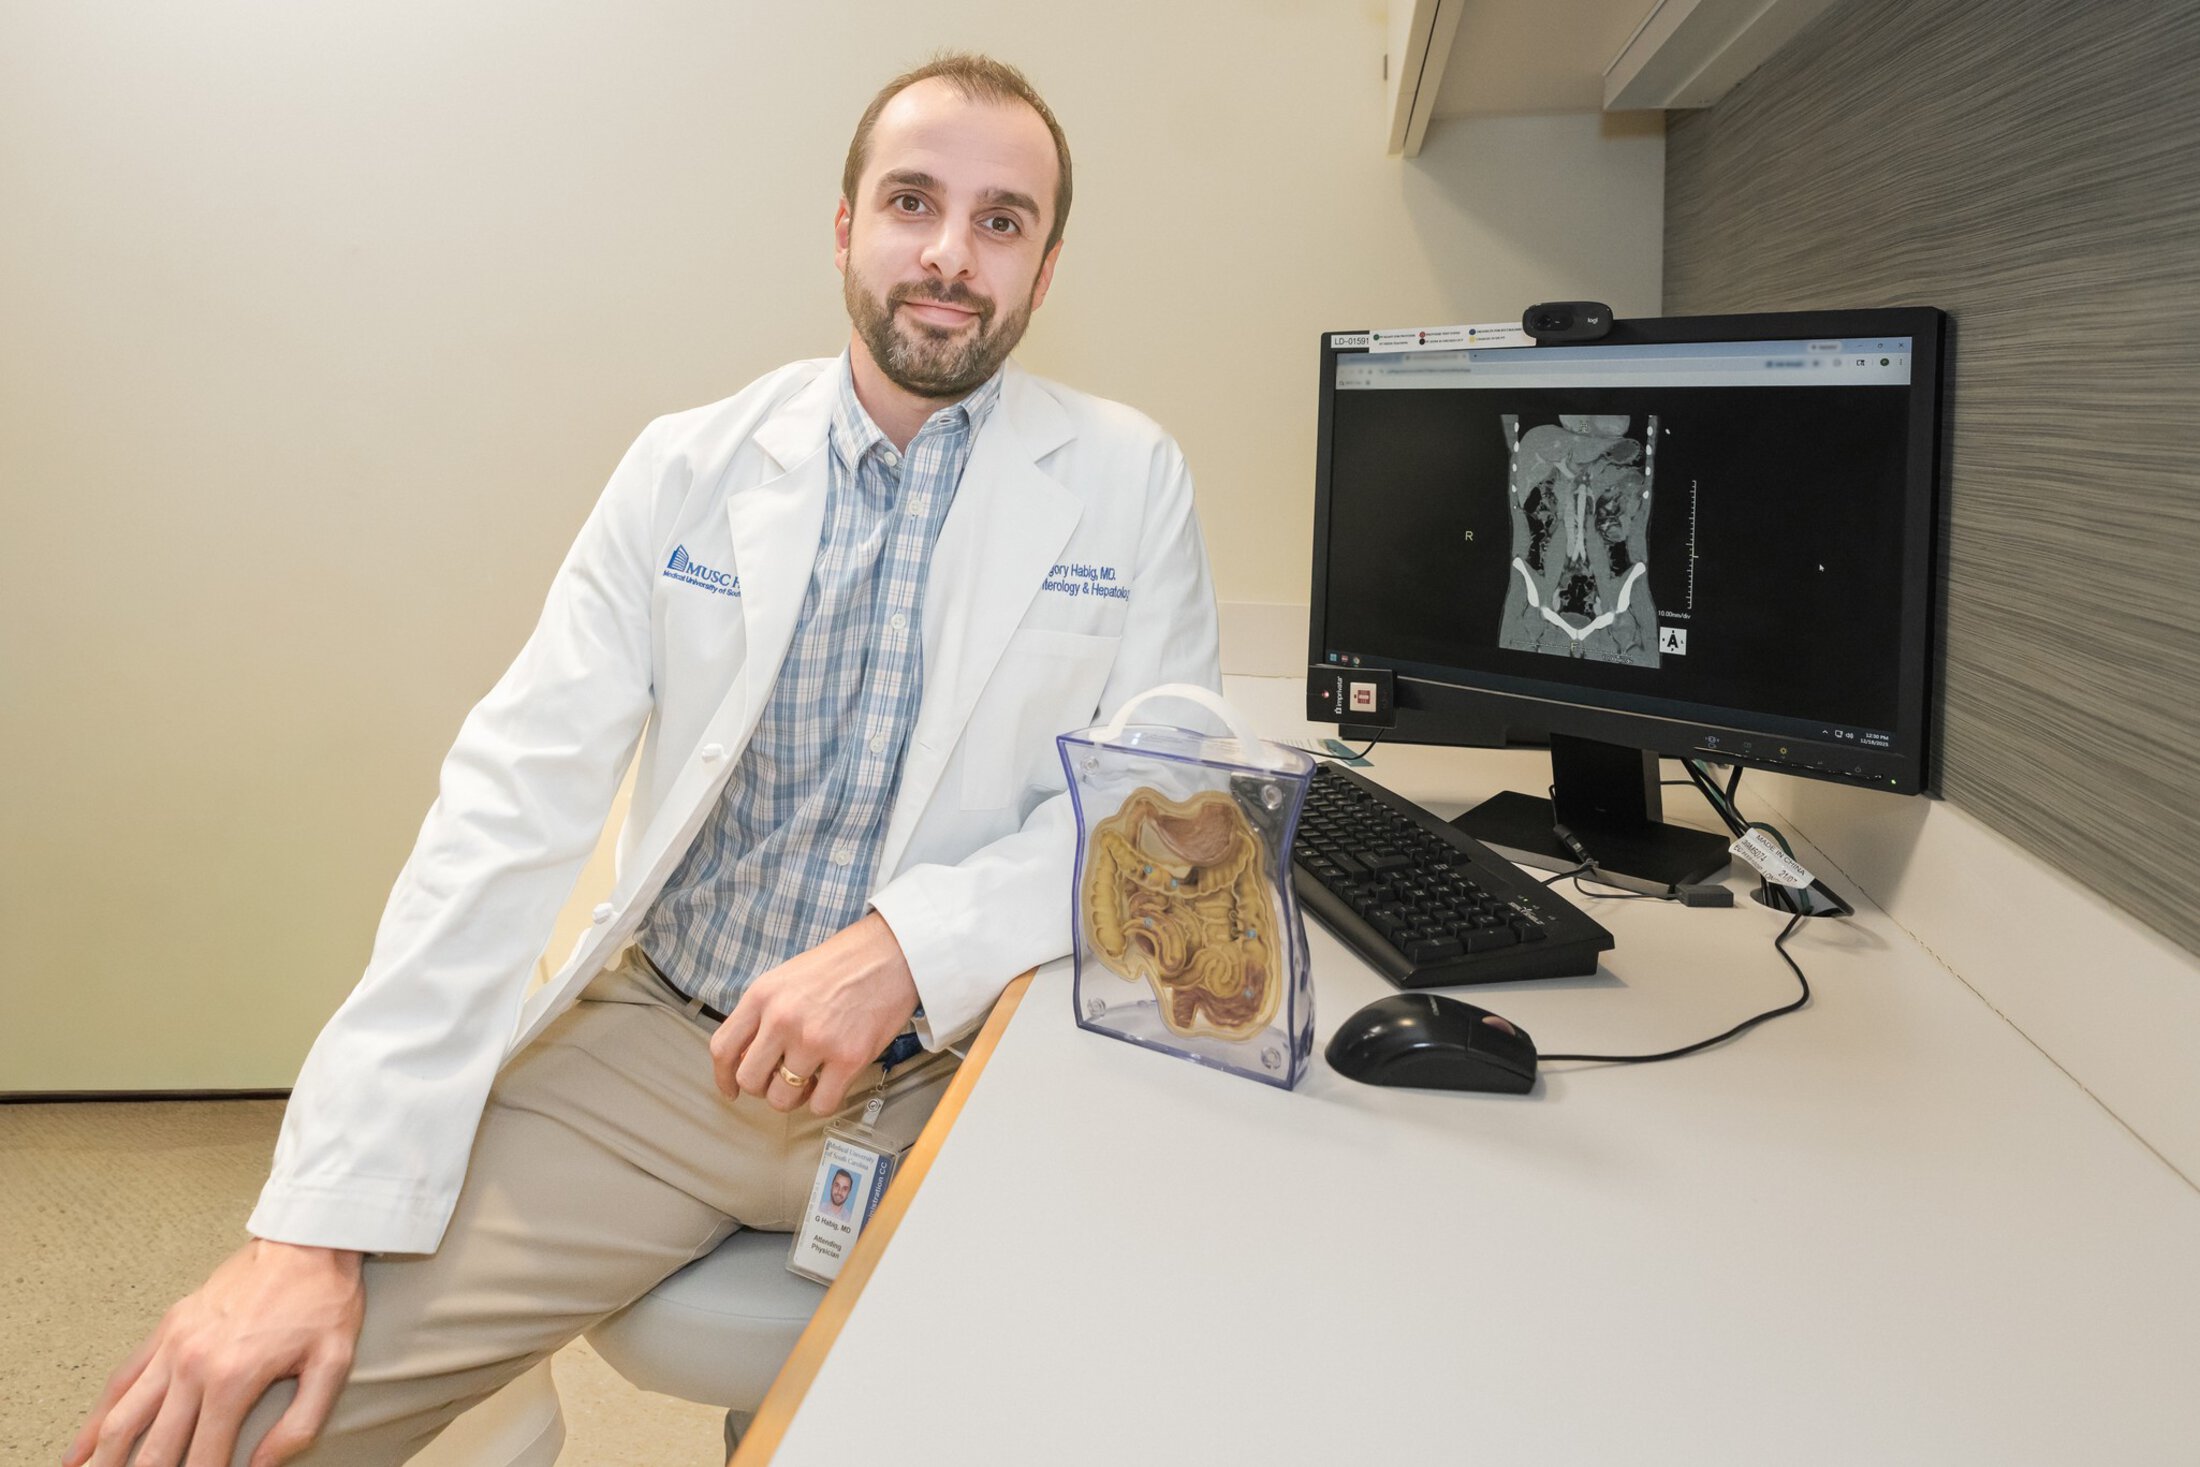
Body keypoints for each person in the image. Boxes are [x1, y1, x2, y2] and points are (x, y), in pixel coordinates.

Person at [69, 51, 1219, 1467]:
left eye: (1001, 220)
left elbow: (1166, 817)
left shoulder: (1125, 477)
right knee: (234, 1426)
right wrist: (307, 1226)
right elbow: (507, 810)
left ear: (1044, 270)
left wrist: (911, 950)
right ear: (845, 226)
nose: (947, 252)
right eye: (913, 200)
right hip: (665, 1058)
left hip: (953, 1080)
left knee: (1140, 1394)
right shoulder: (690, 467)